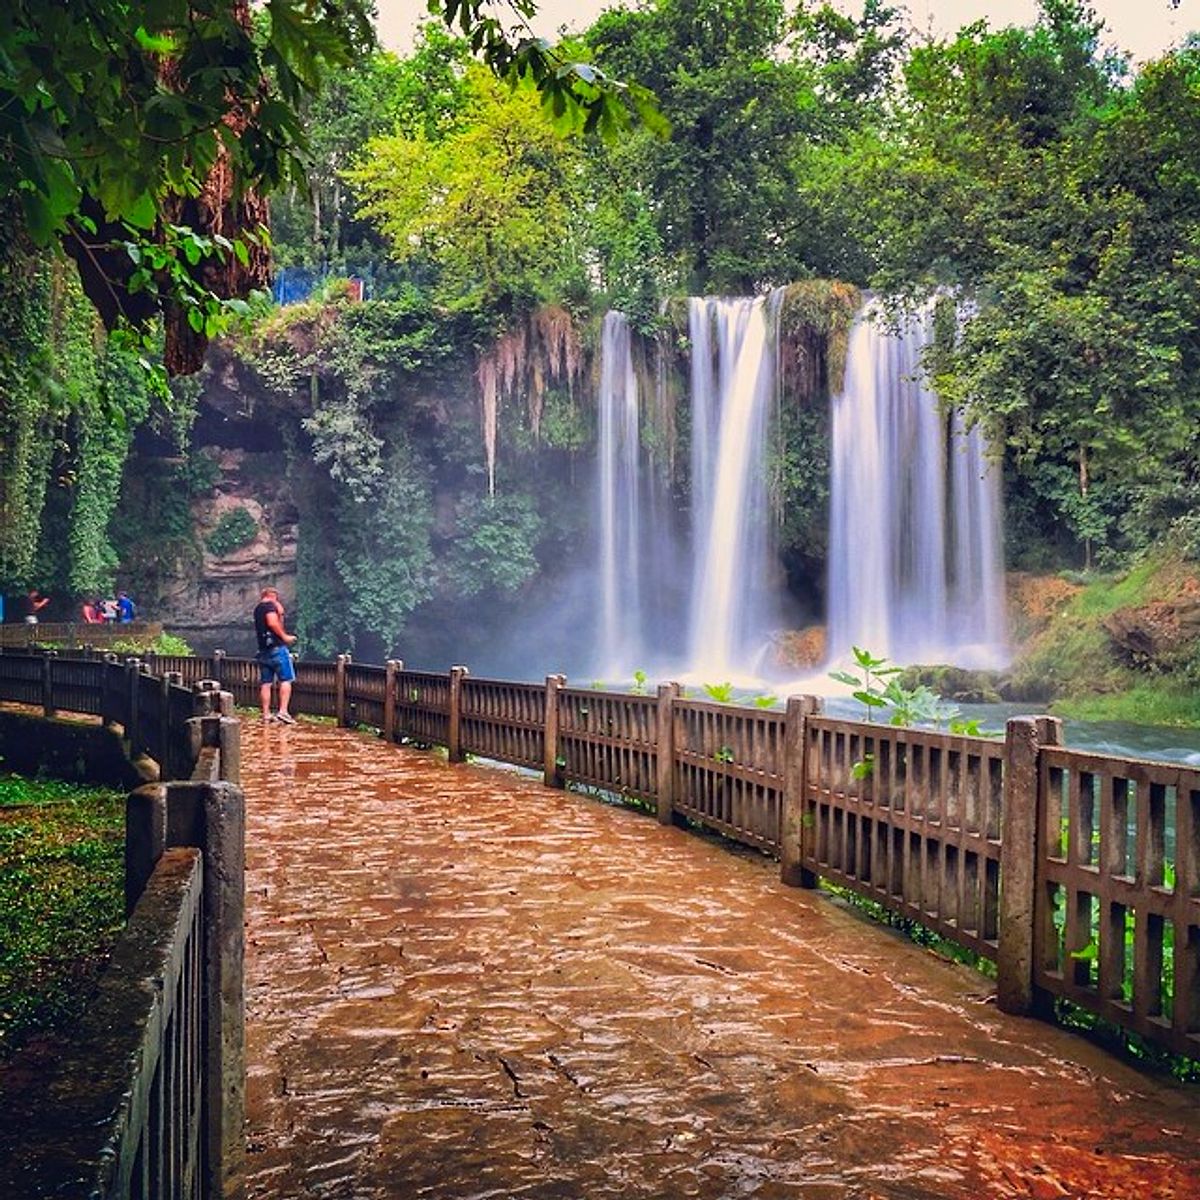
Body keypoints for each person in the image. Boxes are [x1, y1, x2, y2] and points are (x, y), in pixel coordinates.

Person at [254, 585, 297, 723]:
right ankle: (283, 711)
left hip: (263, 650)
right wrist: (285, 637)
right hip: (277, 649)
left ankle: (266, 714)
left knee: (266, 683)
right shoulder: (270, 606)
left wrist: (281, 613)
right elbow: (272, 623)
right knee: (286, 679)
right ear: (272, 596)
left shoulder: (258, 609)